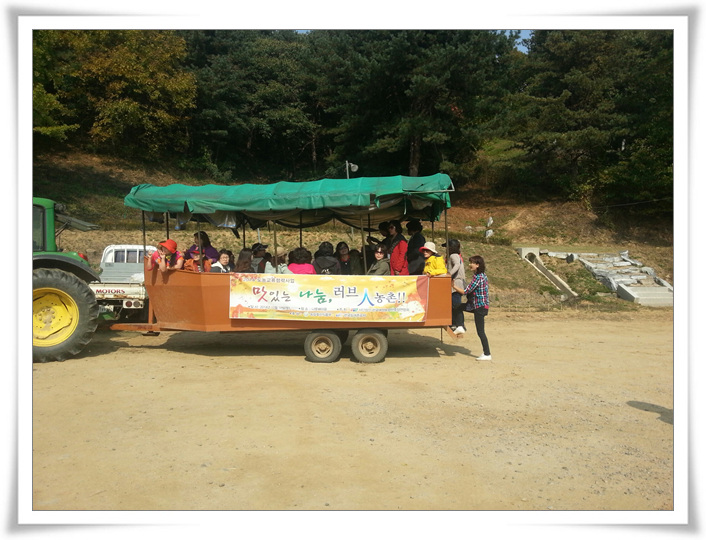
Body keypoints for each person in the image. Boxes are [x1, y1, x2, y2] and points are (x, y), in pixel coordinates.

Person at [453, 255, 491, 361]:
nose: (470, 265)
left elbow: (466, 291)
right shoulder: (481, 275)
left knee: (480, 332)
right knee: (457, 307)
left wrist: (453, 286)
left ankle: (487, 354)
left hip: (479, 307)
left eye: (472, 263)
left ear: (477, 265)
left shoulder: (478, 277)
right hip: (476, 305)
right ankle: (460, 326)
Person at [445, 239, 467, 335]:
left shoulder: (453, 255)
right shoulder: (456, 255)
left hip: (456, 283)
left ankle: (460, 325)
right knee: (453, 305)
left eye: (447, 247)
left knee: (456, 305)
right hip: (457, 282)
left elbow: (457, 265)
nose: (446, 249)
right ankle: (455, 324)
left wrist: (449, 274)